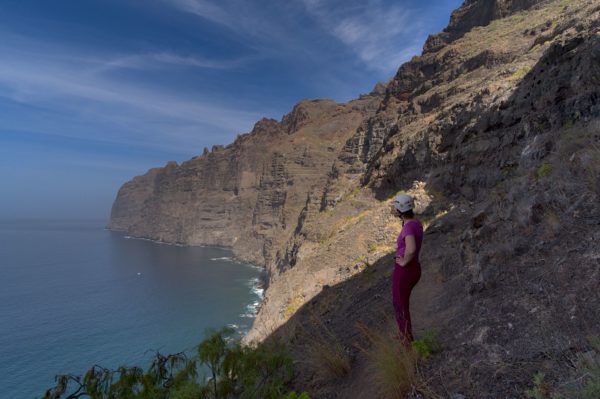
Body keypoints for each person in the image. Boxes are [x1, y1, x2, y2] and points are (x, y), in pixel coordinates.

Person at [391, 194, 423, 343]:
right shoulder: (416, 223)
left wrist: (403, 262)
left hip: (405, 271)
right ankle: (404, 332)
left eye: (395, 207)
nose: (393, 209)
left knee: (400, 305)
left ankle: (406, 341)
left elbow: (411, 249)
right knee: (402, 303)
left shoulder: (408, 227)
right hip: (415, 268)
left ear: (400, 210)